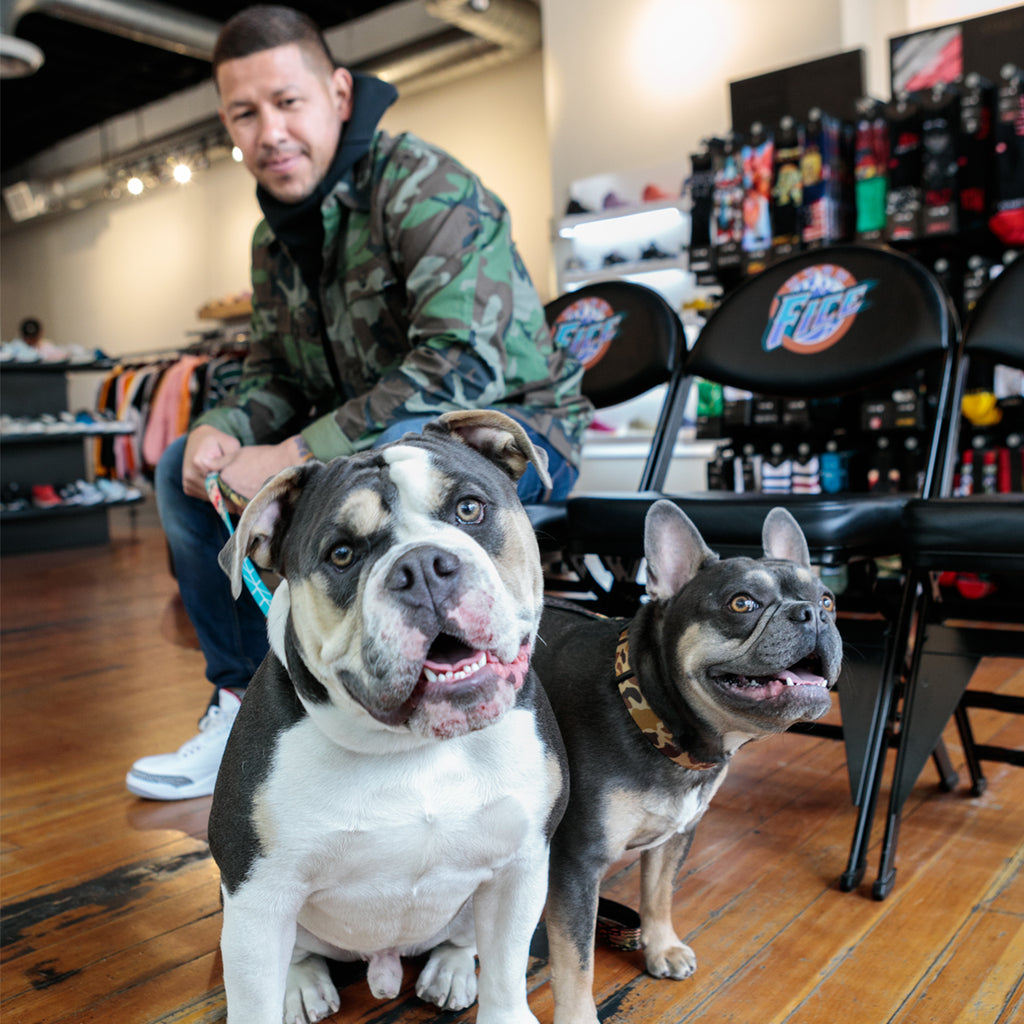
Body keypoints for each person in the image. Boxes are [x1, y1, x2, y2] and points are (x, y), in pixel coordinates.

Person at [126, 5, 592, 800]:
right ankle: (243, 701)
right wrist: (222, 428)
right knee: (178, 469)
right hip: (366, 453)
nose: (269, 129)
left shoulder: (424, 185)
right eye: (245, 112)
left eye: (288, 101)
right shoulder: (273, 239)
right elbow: (275, 371)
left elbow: (464, 361)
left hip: (499, 436)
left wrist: (298, 453)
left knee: (387, 454)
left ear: (339, 93)